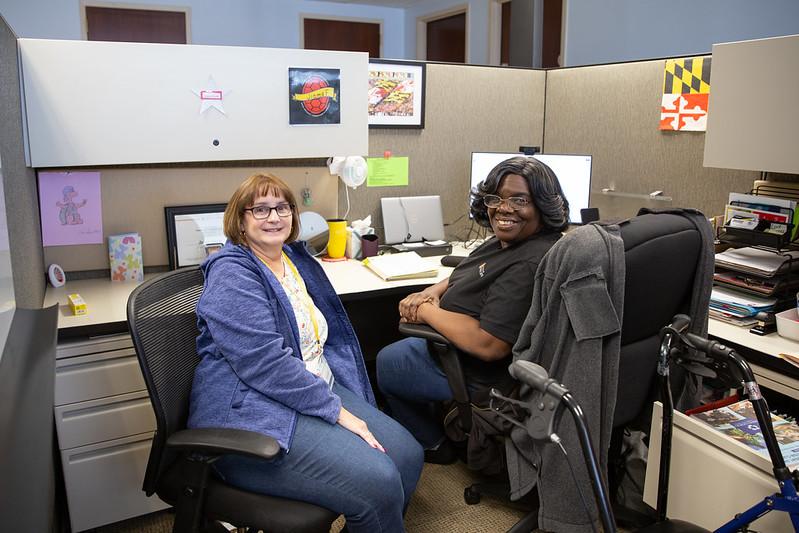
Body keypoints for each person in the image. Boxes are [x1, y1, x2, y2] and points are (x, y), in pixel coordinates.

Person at [187, 173, 423, 533]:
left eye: (282, 207)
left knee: (407, 456)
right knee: (379, 481)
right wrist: (338, 413)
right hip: (253, 409)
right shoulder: (233, 274)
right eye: (260, 209)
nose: (274, 217)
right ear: (240, 219)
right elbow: (266, 366)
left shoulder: (291, 259)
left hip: (310, 386)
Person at [376, 156, 569, 462]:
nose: (504, 209)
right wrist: (432, 291)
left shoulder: (529, 262)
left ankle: (433, 443)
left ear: (543, 205)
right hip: (449, 344)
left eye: (519, 200)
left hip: (475, 371)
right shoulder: (507, 240)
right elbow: (466, 271)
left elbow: (489, 344)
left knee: (385, 363)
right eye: (496, 198)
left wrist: (425, 311)